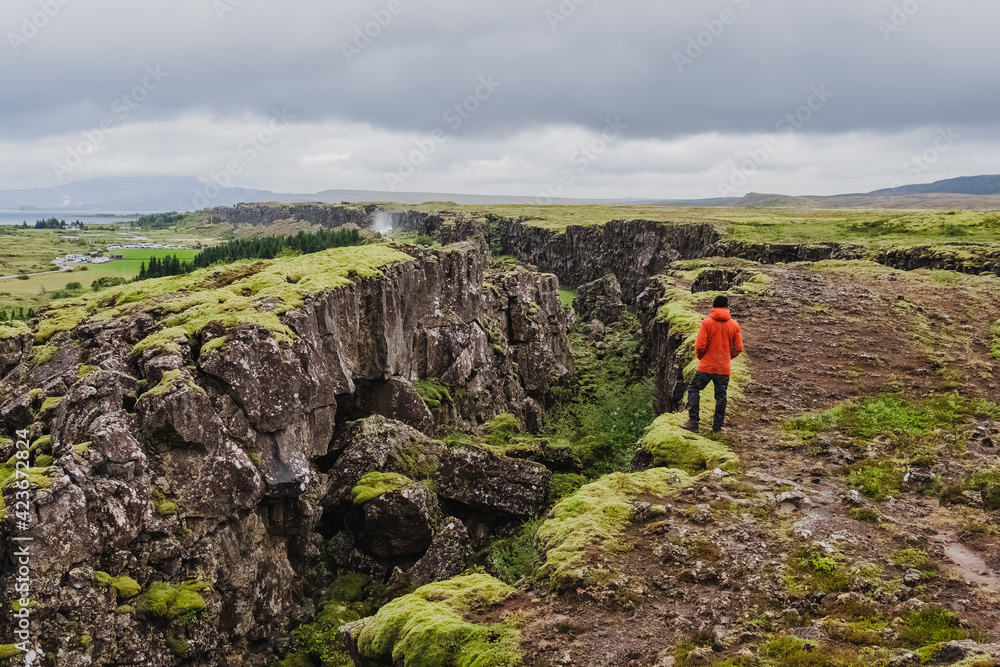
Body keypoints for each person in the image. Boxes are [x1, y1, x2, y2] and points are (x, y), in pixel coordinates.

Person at [680, 295, 743, 434]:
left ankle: (693, 422)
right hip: (723, 369)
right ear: (726, 307)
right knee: (721, 397)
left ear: (713, 306)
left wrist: (702, 358)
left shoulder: (706, 323)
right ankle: (717, 428)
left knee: (693, 389)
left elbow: (700, 346)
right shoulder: (734, 325)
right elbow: (738, 347)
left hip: (706, 367)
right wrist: (727, 357)